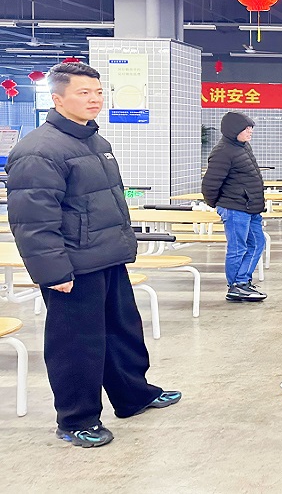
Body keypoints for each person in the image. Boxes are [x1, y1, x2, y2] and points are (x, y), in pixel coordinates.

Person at [5, 61, 180, 448]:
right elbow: (32, 221)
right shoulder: (38, 151)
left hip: (107, 256)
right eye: (83, 92)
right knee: (77, 345)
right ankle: (76, 419)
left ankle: (133, 395)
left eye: (99, 92)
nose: (94, 99)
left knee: (122, 332)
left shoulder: (96, 143)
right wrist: (54, 272)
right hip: (73, 265)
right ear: (57, 99)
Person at [202, 111, 267, 302]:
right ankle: (236, 285)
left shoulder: (243, 147)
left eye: (251, 128)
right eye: (246, 128)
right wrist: (219, 204)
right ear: (233, 130)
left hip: (250, 207)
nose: (250, 131)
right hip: (235, 208)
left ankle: (242, 281)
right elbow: (210, 184)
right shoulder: (223, 152)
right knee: (237, 248)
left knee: (257, 243)